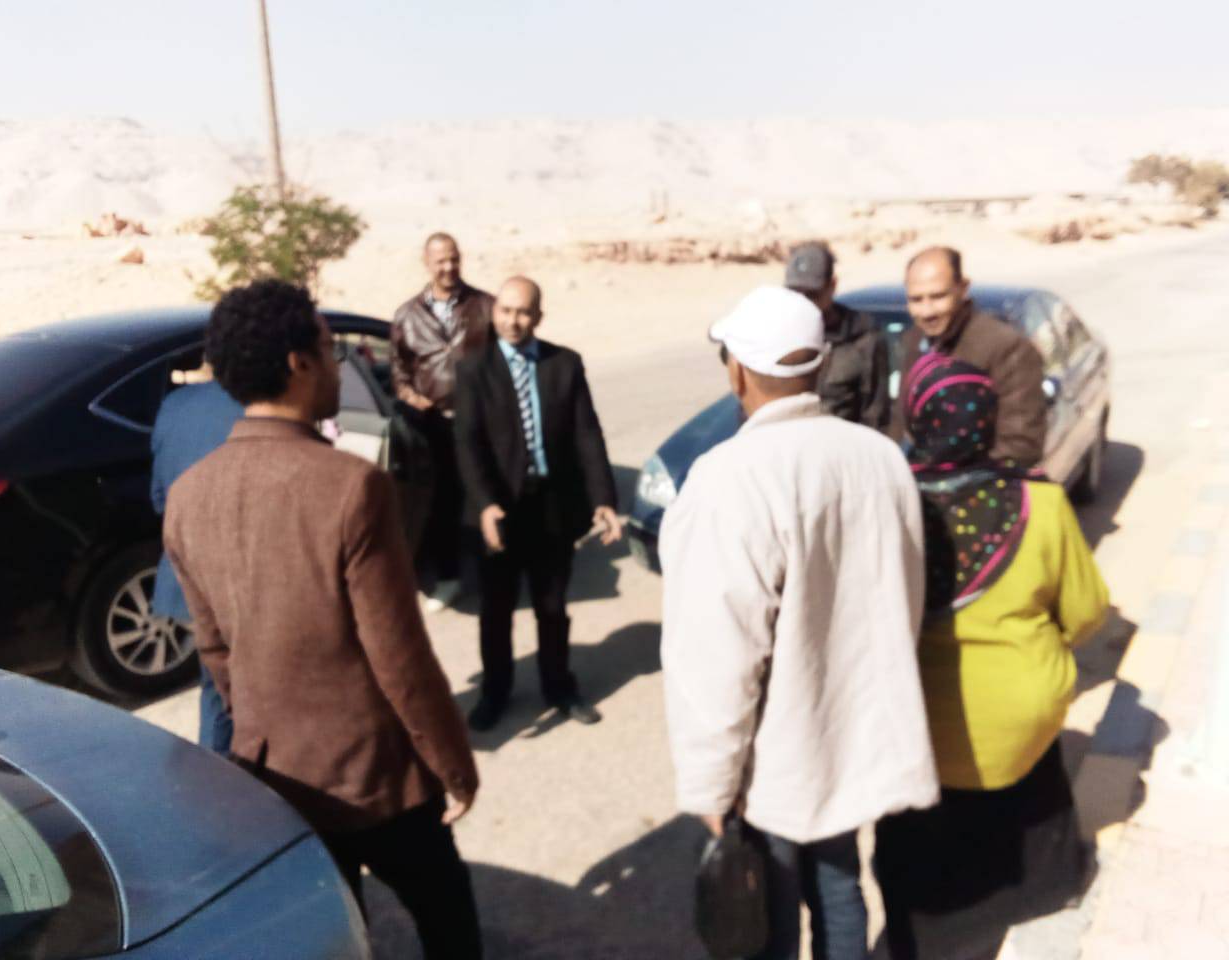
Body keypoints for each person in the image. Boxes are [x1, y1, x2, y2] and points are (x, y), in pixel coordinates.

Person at [163, 279, 482, 959]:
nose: (341, 365)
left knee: (338, 935)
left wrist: (264, 732)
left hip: (277, 779)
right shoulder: (351, 485)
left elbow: (216, 654)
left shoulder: (188, 496)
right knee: (448, 921)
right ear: (299, 363)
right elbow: (399, 655)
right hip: (376, 780)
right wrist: (452, 765)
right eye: (331, 349)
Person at [660, 286, 940, 960]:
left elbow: (719, 657)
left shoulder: (729, 478)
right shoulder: (879, 457)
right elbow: (903, 598)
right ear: (820, 363)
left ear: (738, 371)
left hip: (773, 762)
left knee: (773, 916)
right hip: (847, 738)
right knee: (839, 888)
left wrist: (712, 784)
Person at [873, 355, 1108, 960]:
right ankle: (1037, 893)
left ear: (916, 419)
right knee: (1033, 778)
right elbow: (1087, 613)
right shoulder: (1040, 503)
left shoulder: (888, 507)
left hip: (918, 730)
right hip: (1023, 722)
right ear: (988, 422)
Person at [453, 276, 622, 732]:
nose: (513, 320)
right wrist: (485, 503)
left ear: (538, 316)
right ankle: (495, 692)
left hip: (552, 506)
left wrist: (603, 499)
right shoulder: (473, 369)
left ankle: (559, 687)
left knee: (552, 606)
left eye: (523, 312)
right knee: (496, 609)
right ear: (494, 313)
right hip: (500, 511)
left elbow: (587, 434)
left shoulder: (564, 364)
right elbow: (467, 443)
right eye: (506, 310)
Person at [391, 232, 495, 612]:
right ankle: (449, 579)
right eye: (441, 261)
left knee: (486, 497)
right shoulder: (406, 315)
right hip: (431, 428)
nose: (449, 267)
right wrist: (410, 397)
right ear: (427, 263)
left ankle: (495, 575)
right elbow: (399, 372)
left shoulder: (486, 306)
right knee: (441, 505)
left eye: (454, 259)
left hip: (479, 422)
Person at [149, 367, 241, 753]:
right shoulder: (260, 409)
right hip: (243, 578)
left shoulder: (175, 404)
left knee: (216, 690)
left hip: (185, 571)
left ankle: (214, 772)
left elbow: (159, 498)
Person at [893, 246, 1046, 467]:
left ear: (963, 288)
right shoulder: (916, 339)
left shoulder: (1006, 347)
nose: (927, 311)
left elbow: (1021, 445)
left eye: (938, 296)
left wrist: (950, 477)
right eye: (916, 300)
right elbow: (901, 423)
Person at [784, 240, 889, 430]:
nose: (803, 303)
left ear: (832, 286)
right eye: (795, 294)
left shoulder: (863, 340)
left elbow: (875, 416)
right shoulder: (778, 335)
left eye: (812, 295)